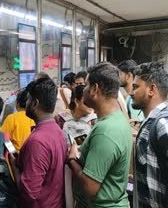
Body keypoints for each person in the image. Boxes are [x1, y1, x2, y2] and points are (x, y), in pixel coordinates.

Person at [67, 62, 132, 207]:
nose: (83, 91)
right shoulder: (118, 118)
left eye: (86, 86)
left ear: (95, 89)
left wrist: (72, 160)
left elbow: (90, 187)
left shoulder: (105, 131)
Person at [9, 78, 68, 208]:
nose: (27, 103)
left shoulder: (37, 141)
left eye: (29, 100)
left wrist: (15, 168)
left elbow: (29, 193)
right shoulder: (58, 131)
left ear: (35, 103)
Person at [131, 62, 168, 207]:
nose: (131, 92)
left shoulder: (162, 124)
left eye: (136, 87)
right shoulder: (151, 122)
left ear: (152, 90)